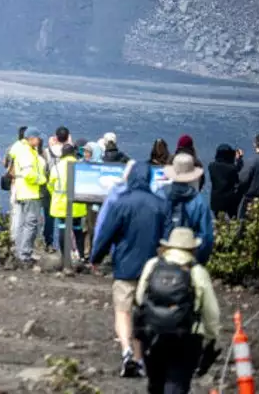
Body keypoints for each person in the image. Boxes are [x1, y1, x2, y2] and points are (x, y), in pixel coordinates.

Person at [90, 161, 170, 378]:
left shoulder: (121, 203)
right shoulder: (160, 204)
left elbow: (107, 233)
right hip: (152, 268)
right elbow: (167, 237)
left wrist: (95, 257)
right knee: (143, 314)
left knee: (122, 311)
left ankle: (125, 350)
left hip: (125, 266)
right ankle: (139, 357)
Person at [134, 227, 224, 394]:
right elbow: (212, 312)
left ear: (168, 246)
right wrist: (211, 339)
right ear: (192, 249)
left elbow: (140, 298)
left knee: (155, 382)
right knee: (177, 382)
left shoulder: (152, 265)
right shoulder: (197, 271)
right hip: (186, 336)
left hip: (152, 333)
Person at [161, 154, 214, 263]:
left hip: (164, 255)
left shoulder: (161, 195)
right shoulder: (199, 201)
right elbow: (206, 236)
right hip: (188, 257)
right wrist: (199, 260)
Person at [9, 130, 48, 264]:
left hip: (24, 192)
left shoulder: (27, 150)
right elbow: (28, 174)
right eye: (38, 138)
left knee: (23, 223)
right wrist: (42, 179)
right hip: (29, 192)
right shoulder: (26, 152)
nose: (39, 141)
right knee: (30, 224)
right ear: (31, 138)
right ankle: (24, 254)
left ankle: (20, 252)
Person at [46, 143, 86, 258]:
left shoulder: (56, 167)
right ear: (73, 153)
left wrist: (55, 194)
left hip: (60, 204)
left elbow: (51, 185)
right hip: (77, 203)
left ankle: (65, 256)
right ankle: (81, 255)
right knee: (77, 229)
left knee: (63, 228)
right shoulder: (80, 165)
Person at [41, 127, 71, 252]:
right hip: (66, 188)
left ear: (56, 137)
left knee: (49, 217)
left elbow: (43, 167)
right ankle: (66, 247)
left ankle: (49, 243)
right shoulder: (70, 152)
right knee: (65, 218)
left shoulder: (48, 151)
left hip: (50, 186)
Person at [207, 144, 243, 219]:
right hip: (230, 202)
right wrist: (239, 159)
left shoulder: (211, 167)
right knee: (233, 221)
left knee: (218, 223)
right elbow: (238, 172)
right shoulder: (232, 169)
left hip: (216, 201)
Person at [239, 134, 259, 218]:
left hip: (251, 200)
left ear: (255, 144)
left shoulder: (251, 162)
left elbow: (242, 180)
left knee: (244, 226)